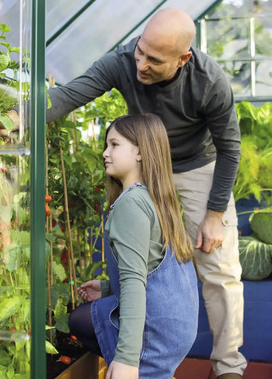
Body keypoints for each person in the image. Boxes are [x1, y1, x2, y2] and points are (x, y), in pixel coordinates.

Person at [4, 7, 246, 379]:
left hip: (198, 164)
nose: (141, 64)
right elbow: (71, 94)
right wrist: (21, 115)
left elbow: (230, 148)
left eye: (154, 59)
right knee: (145, 253)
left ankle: (228, 366)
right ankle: (141, 336)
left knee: (219, 267)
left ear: (183, 59)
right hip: (150, 162)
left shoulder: (209, 81)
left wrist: (214, 215)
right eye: (140, 51)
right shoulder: (123, 60)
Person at [69, 113, 198, 379]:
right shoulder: (155, 198)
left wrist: (127, 360)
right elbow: (155, 271)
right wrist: (107, 288)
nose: (105, 152)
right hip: (177, 326)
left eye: (114, 145)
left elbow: (133, 281)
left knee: (79, 321)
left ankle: (140, 366)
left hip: (156, 333)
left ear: (139, 152)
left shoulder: (130, 204)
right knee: (82, 317)